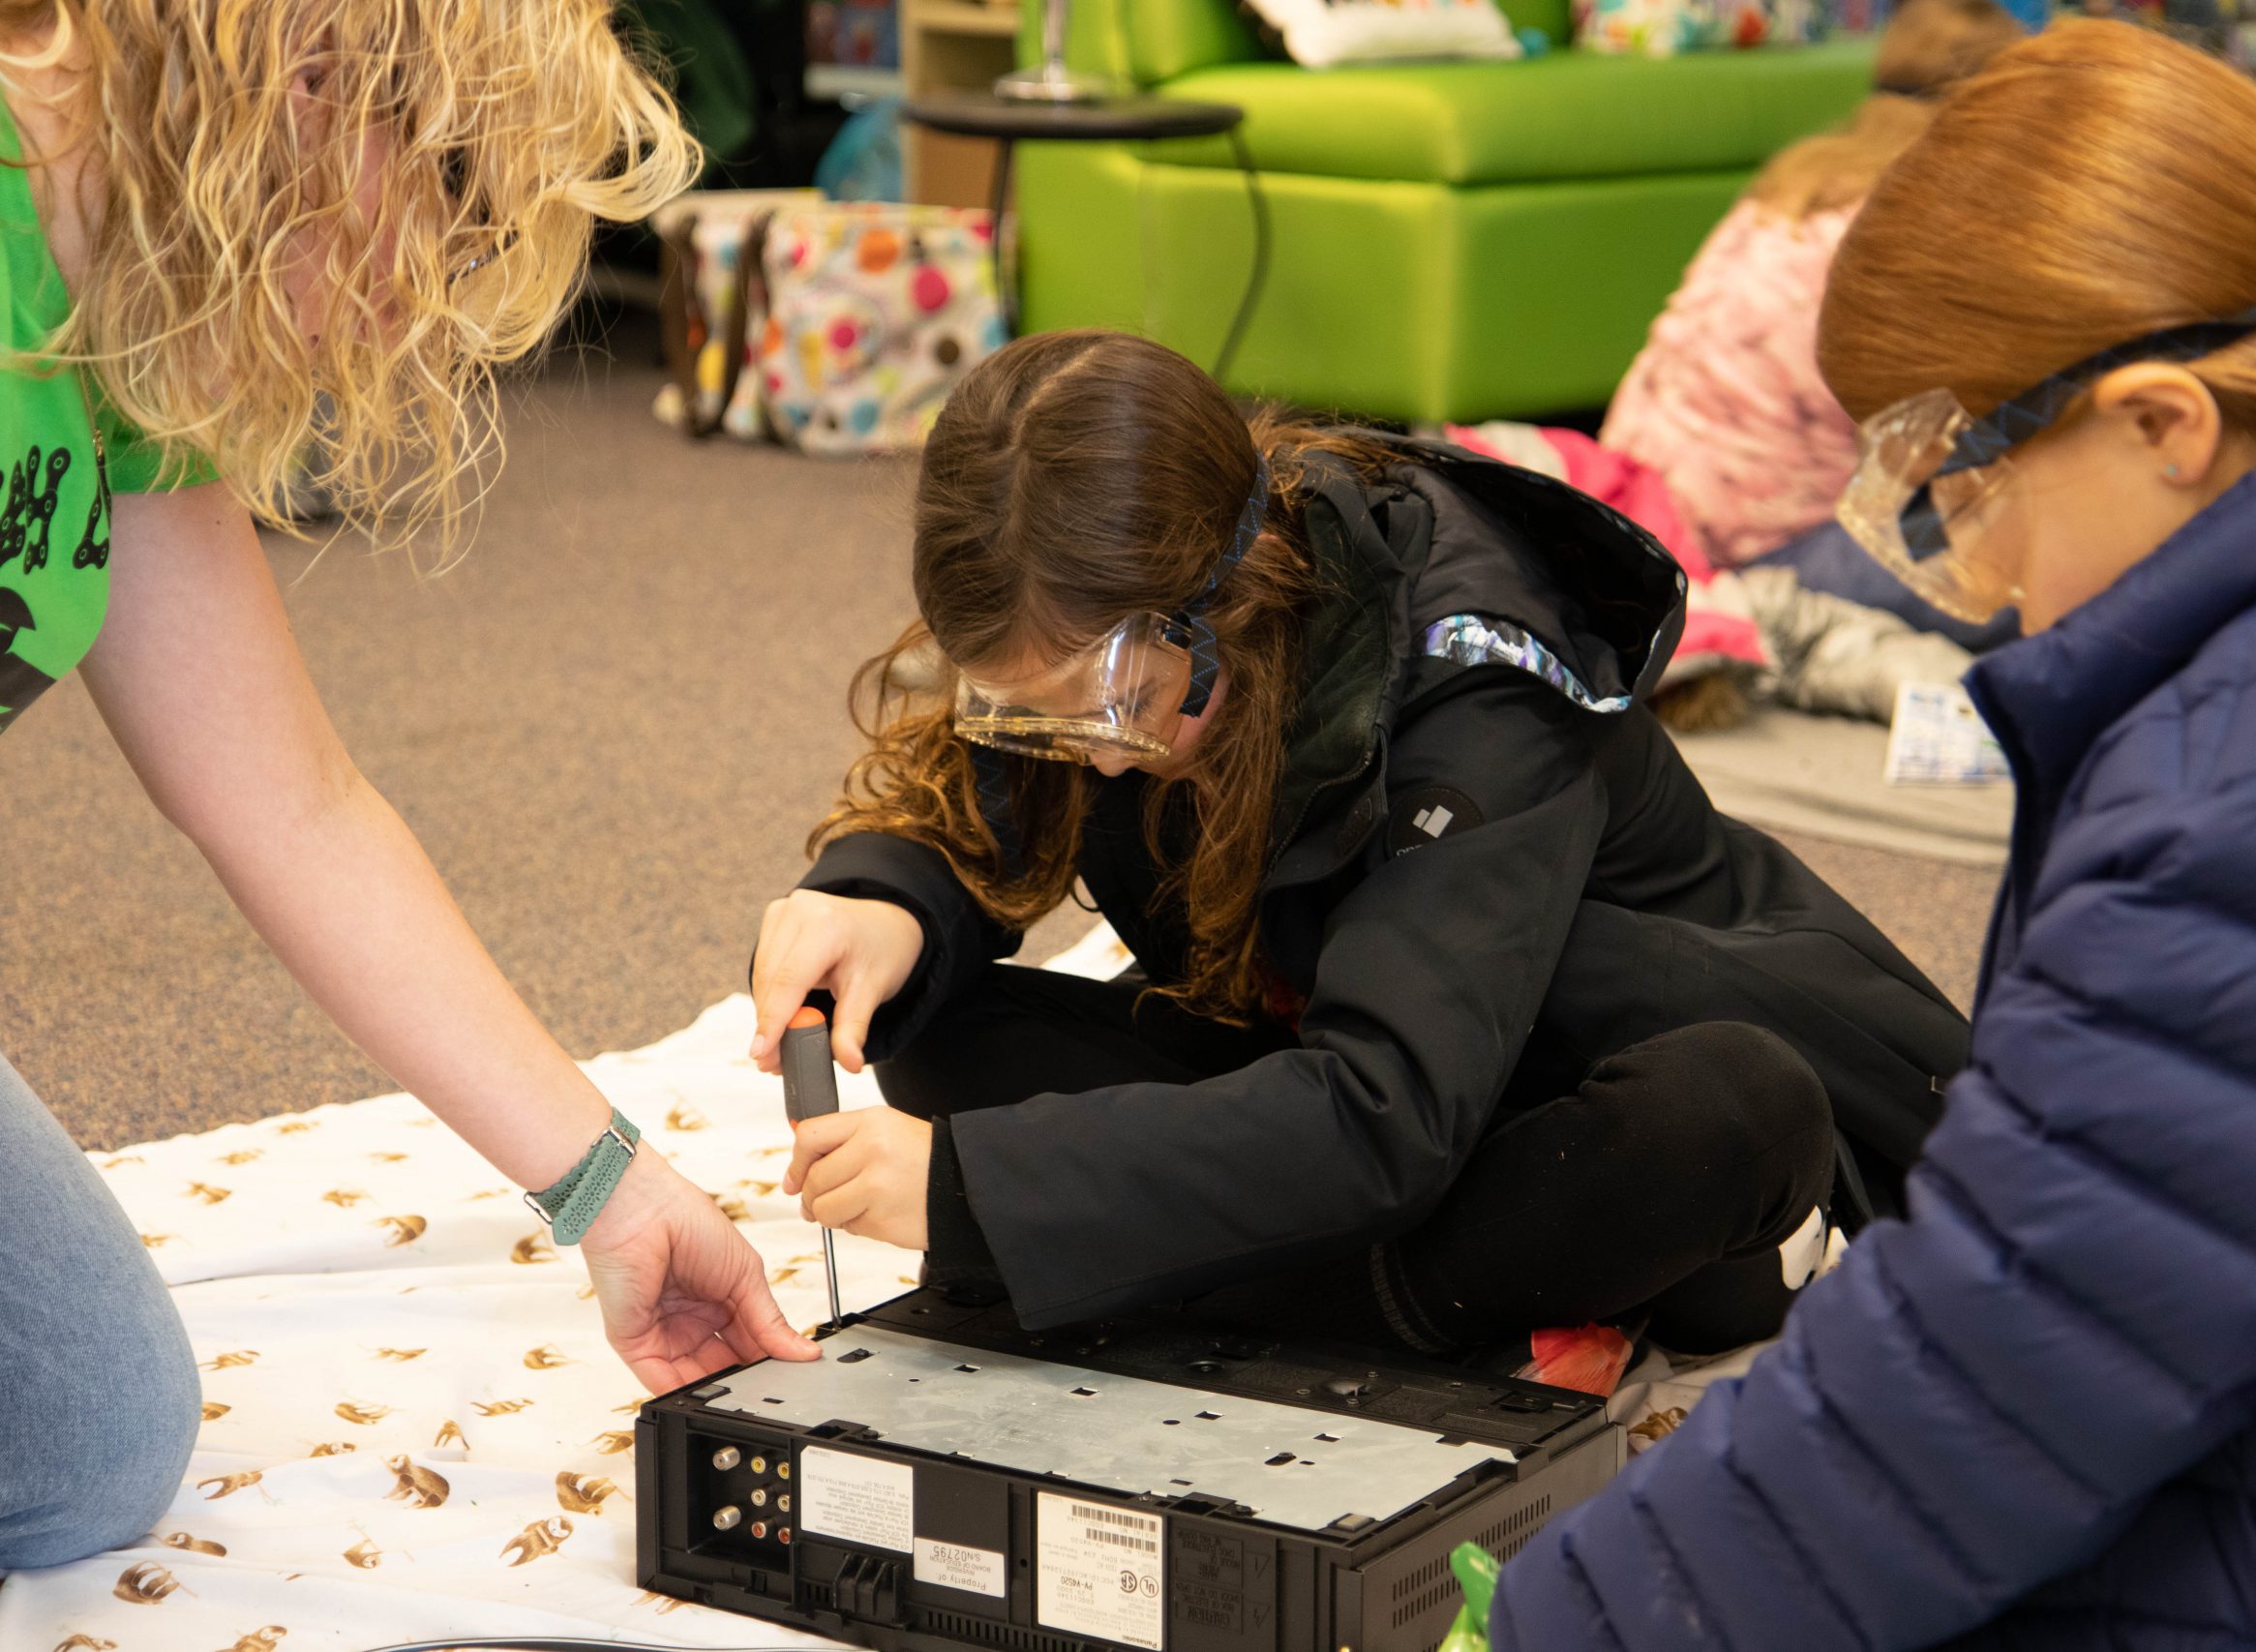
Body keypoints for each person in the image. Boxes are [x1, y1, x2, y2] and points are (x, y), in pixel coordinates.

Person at [1494, 20, 2256, 1649]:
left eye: (1970, 484)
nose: (1982, 570)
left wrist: (1568, 1618)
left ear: (2165, 423)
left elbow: (1979, 1391)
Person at [0, 0, 816, 1574]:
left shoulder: (118, 306)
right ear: (310, 95)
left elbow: (293, 802)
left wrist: (614, 1187)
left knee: (92, 1427)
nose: (421, 303)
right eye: (454, 212)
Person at [749, 329, 1969, 1366]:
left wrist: (979, 1201)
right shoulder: (1118, 638)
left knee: (1723, 1116)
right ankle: (1395, 1286)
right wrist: (884, 896)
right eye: (1028, 713)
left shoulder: (1482, 688)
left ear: (1232, 589)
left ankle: (1333, 1289)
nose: (1090, 755)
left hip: (1571, 1076)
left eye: (1104, 705)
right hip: (1357, 1055)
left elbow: (1387, 1112)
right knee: (939, 1029)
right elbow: (982, 806)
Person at [1596, 0, 2020, 575]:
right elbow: (1937, 439)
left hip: (1632, 497)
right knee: (2014, 552)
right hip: (1753, 547)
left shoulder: (1801, 175)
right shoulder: (1918, 217)